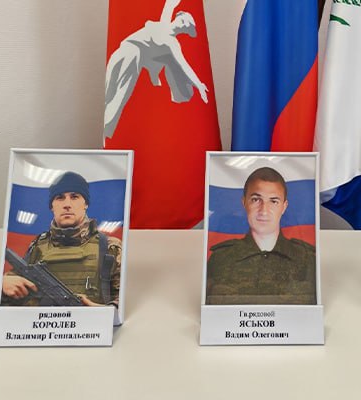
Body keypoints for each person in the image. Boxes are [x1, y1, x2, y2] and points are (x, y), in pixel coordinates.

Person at [1, 171, 121, 307]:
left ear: (85, 204)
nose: (67, 204)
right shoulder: (38, 246)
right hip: (40, 320)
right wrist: (4, 284)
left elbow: (124, 301)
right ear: (52, 206)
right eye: (60, 198)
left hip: (90, 321)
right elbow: (12, 290)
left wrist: (99, 310)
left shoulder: (108, 247)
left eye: (74, 197)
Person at [206, 167, 316, 305]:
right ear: (244, 202)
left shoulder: (306, 259)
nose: (264, 211)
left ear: (284, 206)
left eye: (273, 201)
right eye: (256, 200)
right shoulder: (220, 259)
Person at [104, 0, 209, 139]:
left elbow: (184, 65)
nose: (183, 24)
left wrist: (199, 85)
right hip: (121, 52)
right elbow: (169, 5)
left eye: (186, 26)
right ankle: (108, 136)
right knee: (110, 94)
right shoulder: (164, 23)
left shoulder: (172, 43)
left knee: (120, 96)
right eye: (184, 20)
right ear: (178, 16)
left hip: (133, 56)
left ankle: (109, 136)